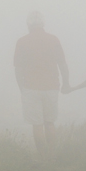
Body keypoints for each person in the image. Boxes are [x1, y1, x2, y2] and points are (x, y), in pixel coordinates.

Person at [14, 12, 70, 159]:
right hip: (51, 86)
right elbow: (63, 64)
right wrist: (66, 83)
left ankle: (42, 156)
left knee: (37, 125)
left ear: (28, 25)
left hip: (30, 87)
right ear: (43, 24)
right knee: (49, 122)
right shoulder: (53, 40)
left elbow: (18, 70)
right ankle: (51, 154)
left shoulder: (22, 41)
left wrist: (22, 88)